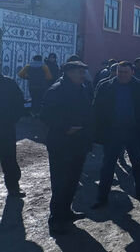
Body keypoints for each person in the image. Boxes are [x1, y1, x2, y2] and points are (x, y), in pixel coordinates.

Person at [40, 61, 94, 234]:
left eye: (83, 72)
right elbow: (45, 116)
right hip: (61, 143)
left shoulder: (83, 88)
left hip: (79, 143)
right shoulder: (56, 90)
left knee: (72, 181)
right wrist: (65, 128)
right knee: (60, 182)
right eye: (80, 72)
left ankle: (67, 212)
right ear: (69, 72)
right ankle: (55, 219)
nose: (83, 75)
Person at [92, 61, 140, 208]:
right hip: (112, 132)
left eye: (125, 72)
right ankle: (102, 197)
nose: (122, 75)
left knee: (137, 164)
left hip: (134, 131)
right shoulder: (106, 86)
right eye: (120, 72)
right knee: (108, 165)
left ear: (132, 72)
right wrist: (98, 131)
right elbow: (96, 108)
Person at [0, 74, 26, 198]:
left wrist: (11, 120)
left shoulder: (9, 83)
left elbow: (19, 103)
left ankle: (13, 188)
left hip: (5, 128)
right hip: (6, 127)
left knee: (9, 159)